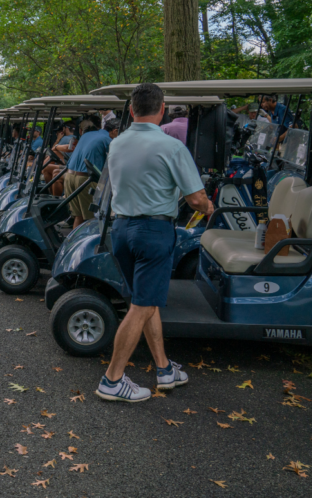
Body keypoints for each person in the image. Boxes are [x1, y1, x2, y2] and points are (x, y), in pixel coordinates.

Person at [96, 83, 214, 403]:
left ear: (132, 110)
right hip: (153, 232)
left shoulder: (117, 144)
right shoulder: (171, 146)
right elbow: (195, 198)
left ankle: (163, 368)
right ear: (162, 110)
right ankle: (112, 379)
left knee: (145, 300)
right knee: (143, 305)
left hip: (121, 230)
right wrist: (209, 208)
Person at [64, 115, 112, 228]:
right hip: (85, 180)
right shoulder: (106, 139)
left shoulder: (85, 136)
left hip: (69, 177)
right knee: (92, 219)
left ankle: (73, 244)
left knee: (78, 216)